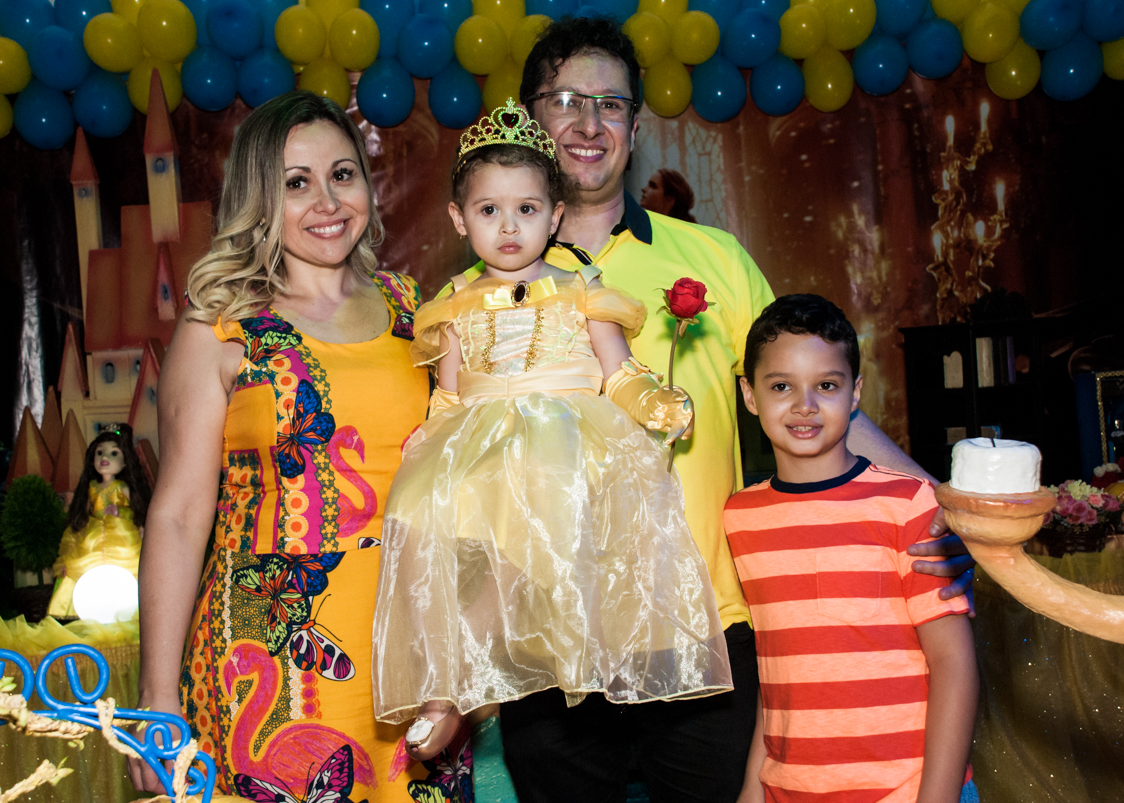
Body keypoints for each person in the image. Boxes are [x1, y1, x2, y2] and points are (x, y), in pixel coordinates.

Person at [438, 15, 974, 802]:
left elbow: (819, 404)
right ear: (529, 119)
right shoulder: (475, 294)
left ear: (634, 129)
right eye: (566, 101)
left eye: (611, 104)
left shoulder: (715, 259)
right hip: (550, 638)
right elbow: (454, 462)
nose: (588, 123)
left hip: (705, 633)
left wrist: (941, 510)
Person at [370, 101, 732, 761]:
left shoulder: (581, 288)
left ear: (556, 215)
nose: (509, 227)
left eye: (527, 209)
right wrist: (430, 440)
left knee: (550, 524)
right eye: (489, 210)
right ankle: (443, 683)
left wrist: (652, 401)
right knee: (420, 513)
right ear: (459, 218)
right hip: (485, 444)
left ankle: (546, 667)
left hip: (566, 443)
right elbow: (449, 394)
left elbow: (617, 372)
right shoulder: (453, 305)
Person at [128, 91, 462, 802]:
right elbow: (179, 515)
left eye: (342, 174)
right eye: (296, 183)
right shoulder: (219, 326)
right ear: (258, 199)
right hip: (271, 657)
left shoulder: (419, 311)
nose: (327, 202)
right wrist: (157, 696)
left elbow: (460, 491)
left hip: (411, 654)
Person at [725, 294, 978, 803]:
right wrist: (754, 786)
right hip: (788, 791)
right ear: (750, 395)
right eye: (781, 386)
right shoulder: (740, 517)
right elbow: (780, 676)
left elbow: (955, 665)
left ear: (855, 392)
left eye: (826, 385)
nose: (805, 405)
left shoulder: (908, 504)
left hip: (906, 790)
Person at [48, 424, 150, 619]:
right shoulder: (91, 488)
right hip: (93, 537)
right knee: (81, 566)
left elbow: (137, 512)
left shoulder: (123, 488)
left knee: (132, 567)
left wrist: (121, 512)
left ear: (125, 462)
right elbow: (82, 516)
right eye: (100, 452)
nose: (105, 457)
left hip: (123, 538)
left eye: (114, 453)